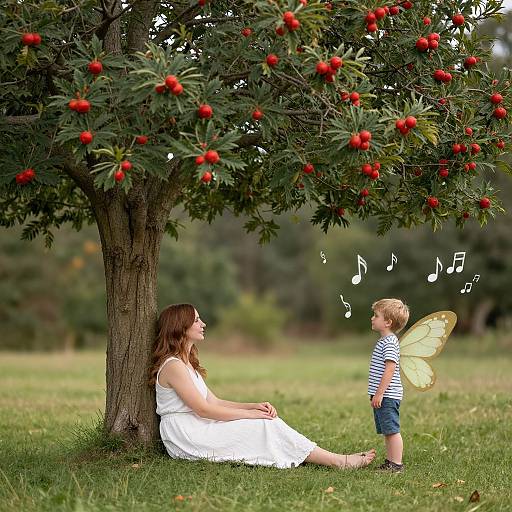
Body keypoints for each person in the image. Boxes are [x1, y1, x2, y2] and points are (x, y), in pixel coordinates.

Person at [149, 303, 376, 469]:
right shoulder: (173, 366)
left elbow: (214, 401)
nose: (203, 323)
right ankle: (338, 461)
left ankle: (335, 459)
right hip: (188, 434)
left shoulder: (188, 364)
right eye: (196, 320)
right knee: (263, 425)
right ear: (181, 326)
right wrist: (250, 416)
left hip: (199, 424)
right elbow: (204, 409)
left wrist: (253, 406)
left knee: (267, 421)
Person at [368, 298, 410, 473]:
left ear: (388, 322)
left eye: (376, 315)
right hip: (384, 394)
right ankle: (390, 461)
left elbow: (390, 369)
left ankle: (396, 464)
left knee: (392, 430)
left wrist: (379, 394)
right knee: (387, 430)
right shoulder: (385, 341)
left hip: (387, 395)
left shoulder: (390, 342)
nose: (372, 318)